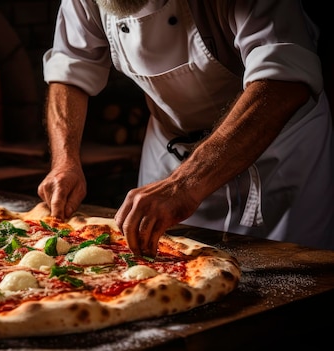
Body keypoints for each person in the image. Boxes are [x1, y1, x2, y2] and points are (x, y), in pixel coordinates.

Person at [38, 0, 334, 256]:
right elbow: (70, 70)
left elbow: (284, 81)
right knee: (152, 272)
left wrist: (186, 183)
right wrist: (65, 162)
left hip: (273, 155)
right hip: (170, 152)